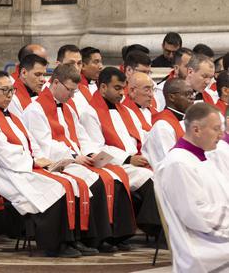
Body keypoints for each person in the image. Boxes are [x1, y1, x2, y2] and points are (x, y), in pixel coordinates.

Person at [0, 70, 97, 258]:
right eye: (4, 90)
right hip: (8, 174)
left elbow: (32, 144)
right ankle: (55, 245)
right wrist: (33, 161)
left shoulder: (14, 117)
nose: (9, 95)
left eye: (12, 90)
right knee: (59, 187)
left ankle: (73, 239)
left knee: (72, 182)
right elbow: (3, 154)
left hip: (25, 168)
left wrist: (44, 161)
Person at [22, 63, 135, 251]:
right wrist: (74, 156)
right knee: (95, 182)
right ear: (56, 82)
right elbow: (44, 145)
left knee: (114, 176)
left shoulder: (68, 108)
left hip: (75, 159)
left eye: (75, 91)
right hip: (57, 163)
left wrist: (90, 154)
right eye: (70, 90)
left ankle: (112, 235)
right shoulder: (35, 110)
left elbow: (81, 136)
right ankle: (90, 238)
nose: (72, 95)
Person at [78, 66, 160, 235]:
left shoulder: (127, 111)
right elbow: (96, 148)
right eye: (117, 88)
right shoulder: (90, 113)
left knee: (162, 175)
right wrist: (128, 159)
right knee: (151, 180)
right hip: (114, 165)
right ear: (102, 87)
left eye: (123, 88)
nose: (122, 93)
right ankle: (154, 227)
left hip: (134, 162)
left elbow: (141, 138)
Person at [158, 102, 229, 272]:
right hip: (203, 246)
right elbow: (197, 216)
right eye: (216, 129)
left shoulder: (202, 158)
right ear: (196, 130)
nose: (222, 134)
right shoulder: (178, 164)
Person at [141, 78, 194, 167]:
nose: (192, 97)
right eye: (187, 94)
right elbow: (169, 162)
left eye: (192, 93)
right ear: (171, 97)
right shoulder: (163, 125)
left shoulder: (187, 121)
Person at [153, 46, 192, 111]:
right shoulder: (161, 90)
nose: (192, 70)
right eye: (188, 66)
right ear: (176, 68)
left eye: (194, 66)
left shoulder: (197, 86)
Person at [9, 54, 48, 118]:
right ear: (24, 73)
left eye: (44, 75)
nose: (43, 79)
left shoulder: (42, 93)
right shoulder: (13, 98)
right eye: (37, 74)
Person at [123, 71, 155, 138]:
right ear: (132, 91)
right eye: (147, 90)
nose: (152, 95)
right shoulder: (124, 113)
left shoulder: (153, 110)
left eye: (152, 89)